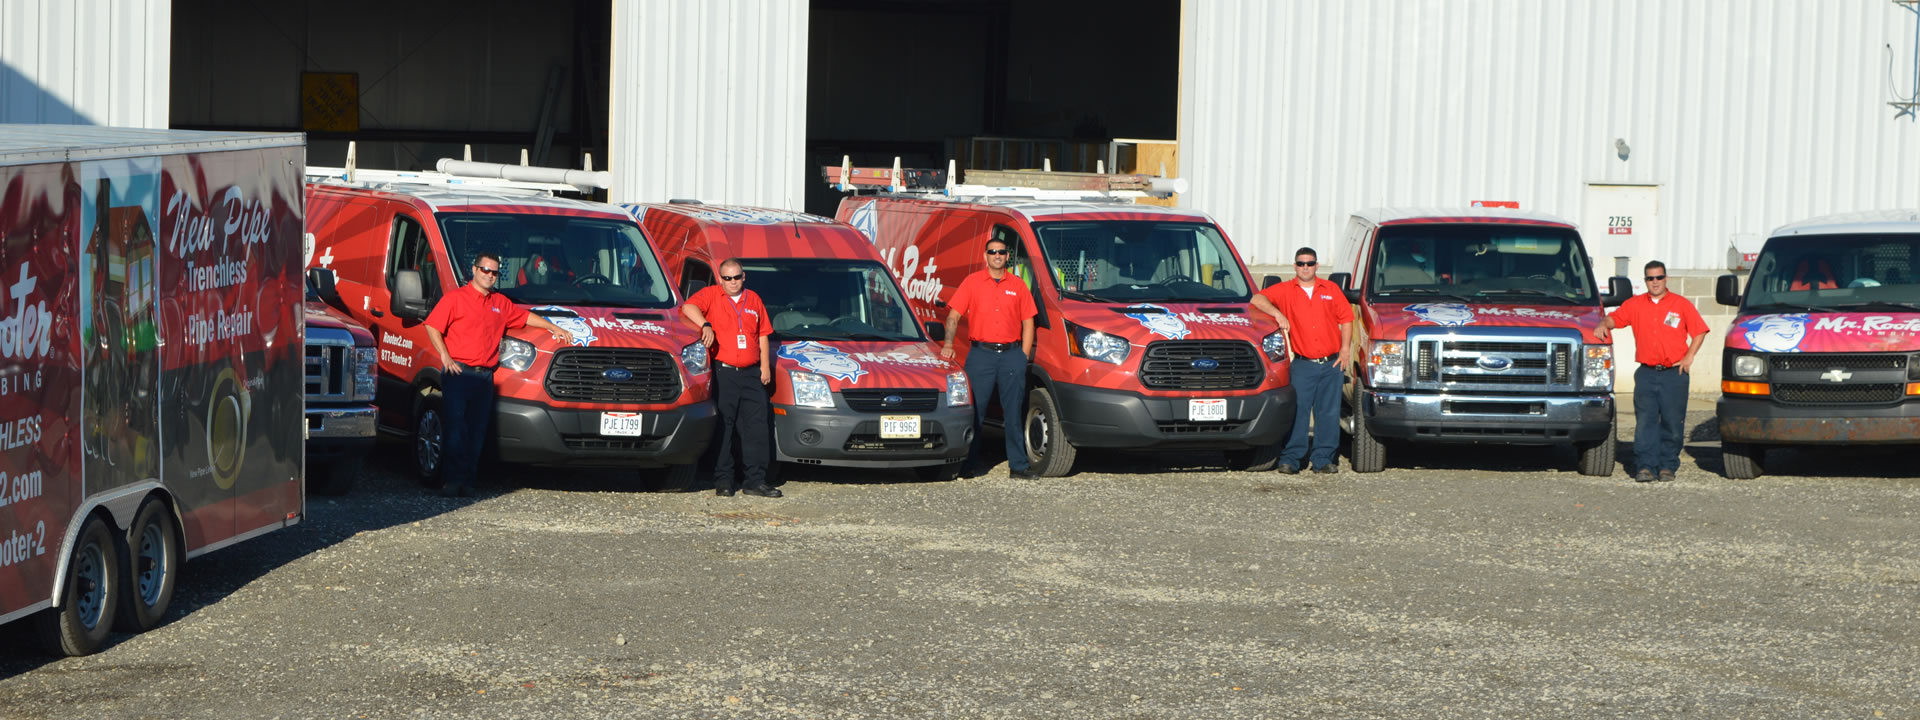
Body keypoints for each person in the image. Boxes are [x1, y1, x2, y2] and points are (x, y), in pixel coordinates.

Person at [424, 252, 575, 497]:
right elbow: (432, 325)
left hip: (485, 377)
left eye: (494, 272)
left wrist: (553, 327)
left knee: (476, 432)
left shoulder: (500, 302)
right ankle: (451, 482)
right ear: (474, 270)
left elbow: (525, 317)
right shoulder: (455, 298)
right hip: (459, 373)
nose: (489, 275)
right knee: (455, 429)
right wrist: (445, 356)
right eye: (485, 270)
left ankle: (467, 482)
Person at [1596, 260, 1709, 483]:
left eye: (1659, 277)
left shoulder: (1681, 304)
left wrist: (1689, 356)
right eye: (1650, 278)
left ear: (1666, 279)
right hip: (1647, 373)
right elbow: (1615, 318)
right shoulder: (1635, 304)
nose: (1655, 282)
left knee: (1672, 421)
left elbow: (1700, 331)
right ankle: (1645, 466)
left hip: (1674, 374)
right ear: (1645, 280)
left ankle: (1667, 466)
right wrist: (1603, 323)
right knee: (1646, 422)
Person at [941, 236, 1038, 480]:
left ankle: (1018, 466)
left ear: (1008, 257)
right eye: (993, 251)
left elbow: (1029, 323)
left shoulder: (1018, 285)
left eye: (1002, 252)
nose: (997, 255)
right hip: (981, 356)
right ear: (985, 256)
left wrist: (1023, 356)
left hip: (1011, 356)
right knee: (975, 413)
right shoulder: (972, 282)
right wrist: (949, 343)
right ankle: (968, 464)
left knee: (1013, 412)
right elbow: (953, 317)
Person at [682, 259, 779, 498]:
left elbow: (763, 334)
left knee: (756, 427)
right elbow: (688, 307)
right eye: (727, 278)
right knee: (724, 426)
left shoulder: (753, 299)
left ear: (744, 277)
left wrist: (765, 367)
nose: (732, 282)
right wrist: (705, 324)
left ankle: (755, 480)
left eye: (736, 277)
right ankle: (724, 480)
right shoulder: (712, 295)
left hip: (751, 372)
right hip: (724, 371)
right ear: (720, 279)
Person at [1250, 247, 1352, 475]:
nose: (1305, 267)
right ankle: (1291, 459)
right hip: (1303, 364)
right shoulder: (1285, 290)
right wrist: (1277, 313)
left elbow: (1346, 319)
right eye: (1301, 263)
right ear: (1294, 266)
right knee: (1298, 412)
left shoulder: (1331, 290)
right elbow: (1257, 298)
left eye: (1310, 263)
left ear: (1317, 265)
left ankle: (1323, 459)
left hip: (1331, 364)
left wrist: (1345, 349)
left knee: (1328, 412)